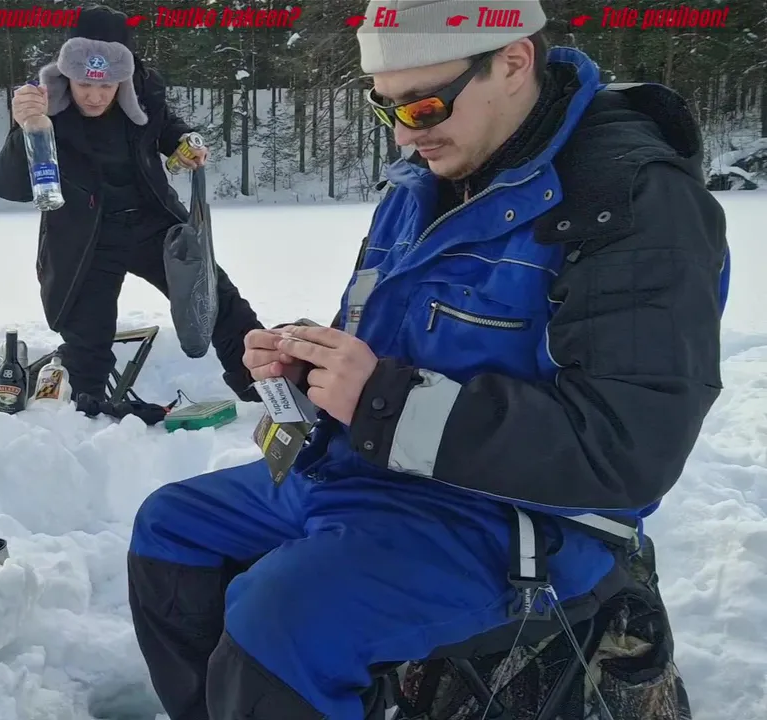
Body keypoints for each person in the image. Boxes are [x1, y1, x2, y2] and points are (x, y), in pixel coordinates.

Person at [126, 1, 731, 718]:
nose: (405, 134)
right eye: (385, 108)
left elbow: (628, 449)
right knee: (172, 530)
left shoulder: (629, 202)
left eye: (423, 105)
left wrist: (382, 399)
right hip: (370, 470)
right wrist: (311, 361)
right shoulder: (421, 182)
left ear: (513, 61)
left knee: (281, 621)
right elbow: (389, 340)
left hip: (507, 515)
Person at [0, 6, 264, 402]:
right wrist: (23, 128)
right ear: (68, 73)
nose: (95, 95)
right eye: (84, 83)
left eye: (108, 85)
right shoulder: (42, 105)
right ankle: (78, 415)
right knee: (88, 345)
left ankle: (266, 389)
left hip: (155, 224)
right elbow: (9, 187)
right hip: (86, 239)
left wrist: (184, 142)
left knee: (221, 303)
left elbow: (164, 127)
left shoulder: (145, 90)